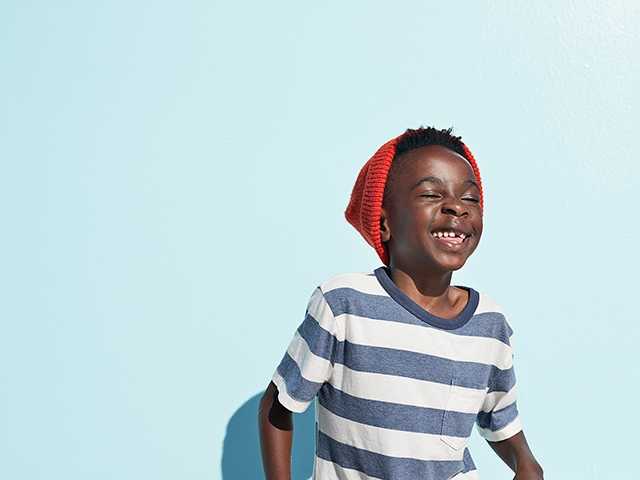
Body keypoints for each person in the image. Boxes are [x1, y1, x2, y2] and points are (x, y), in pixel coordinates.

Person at [258, 126, 544, 479]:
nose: (456, 206)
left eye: (470, 198)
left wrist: (526, 463)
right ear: (385, 223)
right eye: (430, 194)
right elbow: (277, 405)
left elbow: (499, 415)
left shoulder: (490, 324)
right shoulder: (344, 306)